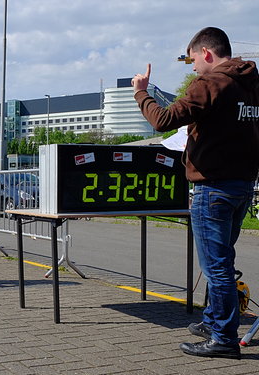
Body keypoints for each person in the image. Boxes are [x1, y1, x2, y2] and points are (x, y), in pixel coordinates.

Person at [132, 27, 258, 359]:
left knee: (217, 267)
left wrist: (141, 93)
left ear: (206, 53)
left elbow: (162, 120)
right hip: (242, 186)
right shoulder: (252, 85)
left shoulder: (211, 83)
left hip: (212, 188)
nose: (192, 69)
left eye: (192, 60)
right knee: (223, 262)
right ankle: (214, 321)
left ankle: (224, 339)